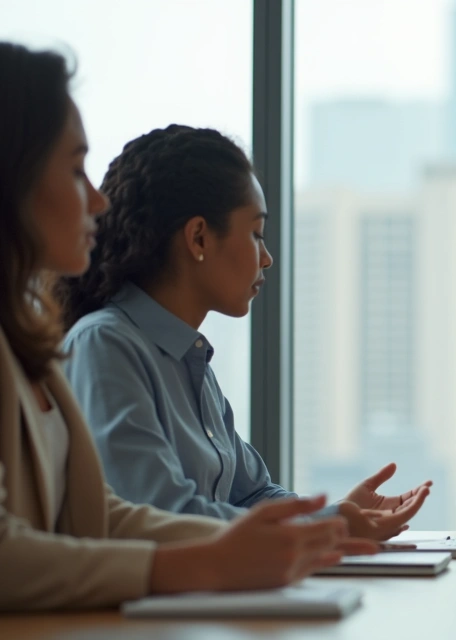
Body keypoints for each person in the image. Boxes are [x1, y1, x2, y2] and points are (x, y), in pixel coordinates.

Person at [0, 42, 376, 610]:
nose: (96, 200)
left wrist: (317, 527)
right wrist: (211, 560)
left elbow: (100, 513)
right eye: (76, 169)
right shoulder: (102, 343)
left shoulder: (42, 351)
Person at [53, 124, 430, 540]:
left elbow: (251, 495)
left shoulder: (189, 360)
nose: (266, 258)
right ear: (199, 236)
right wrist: (325, 525)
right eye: (255, 233)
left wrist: (336, 512)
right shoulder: (106, 346)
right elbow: (160, 515)